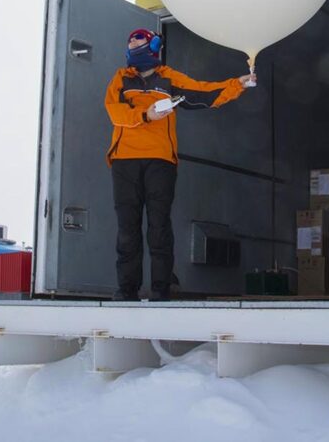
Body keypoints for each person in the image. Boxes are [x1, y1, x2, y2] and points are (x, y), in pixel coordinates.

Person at [105, 28, 255, 302]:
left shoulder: (169, 78)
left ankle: (161, 289)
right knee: (128, 227)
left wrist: (237, 85)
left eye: (138, 38)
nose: (132, 42)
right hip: (124, 160)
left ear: (154, 45)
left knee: (159, 226)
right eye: (130, 40)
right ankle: (126, 290)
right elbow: (114, 111)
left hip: (161, 159)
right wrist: (145, 114)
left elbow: (203, 92)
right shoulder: (121, 79)